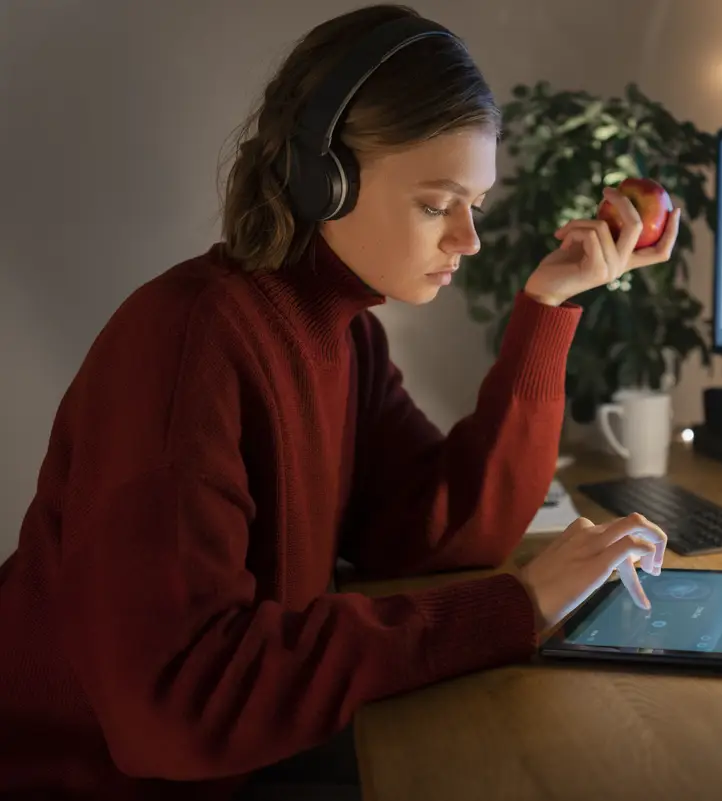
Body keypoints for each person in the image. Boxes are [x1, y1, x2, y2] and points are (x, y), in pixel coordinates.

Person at [0, 5, 679, 799]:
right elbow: (177, 702)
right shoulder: (189, 340)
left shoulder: (348, 340)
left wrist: (547, 306)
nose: (470, 239)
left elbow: (455, 524)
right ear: (322, 178)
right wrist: (514, 604)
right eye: (436, 203)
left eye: (477, 206)